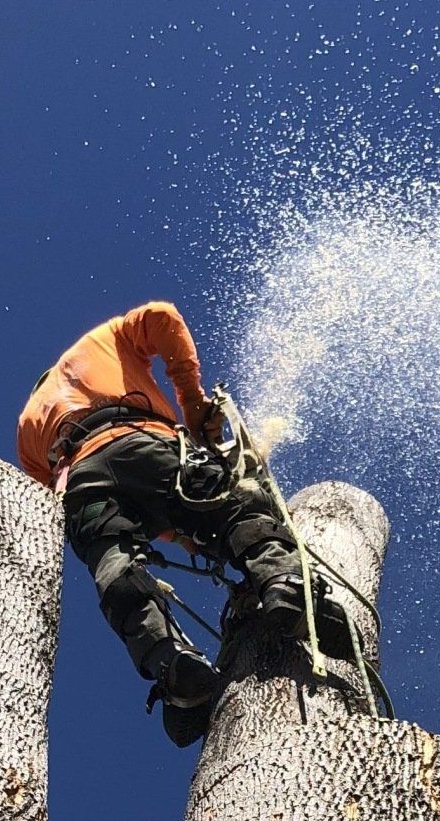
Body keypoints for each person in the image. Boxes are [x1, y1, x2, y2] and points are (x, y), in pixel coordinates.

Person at [16, 301, 309, 742]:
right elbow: (161, 316)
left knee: (116, 568)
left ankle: (172, 662)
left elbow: (44, 509)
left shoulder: (27, 430)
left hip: (83, 484)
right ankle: (282, 580)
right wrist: (192, 403)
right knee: (233, 507)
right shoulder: (96, 343)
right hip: (141, 440)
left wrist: (176, 534)